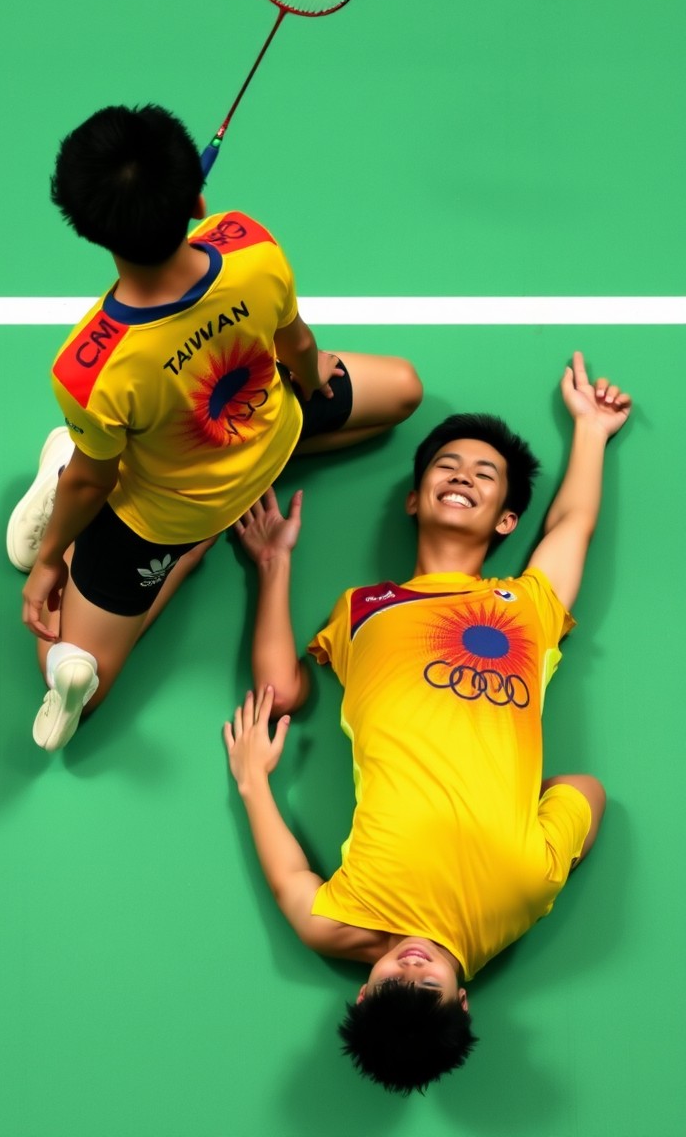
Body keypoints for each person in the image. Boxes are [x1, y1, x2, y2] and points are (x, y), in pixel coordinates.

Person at [223, 351, 631, 1094]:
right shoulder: (530, 609)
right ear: (462, 998)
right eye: (430, 992)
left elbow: (282, 694)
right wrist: (592, 433)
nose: (410, 972)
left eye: (390, 989)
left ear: (363, 990)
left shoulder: (361, 608)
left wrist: (254, 780)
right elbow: (586, 789)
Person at [7, 103, 422, 751]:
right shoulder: (249, 246)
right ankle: (129, 531)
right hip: (250, 444)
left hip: (170, 513)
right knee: (404, 390)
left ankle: (107, 526)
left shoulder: (92, 366)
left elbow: (93, 485)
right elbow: (299, 343)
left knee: (79, 676)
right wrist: (311, 378)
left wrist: (45, 576)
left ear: (90, 230)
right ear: (199, 200)